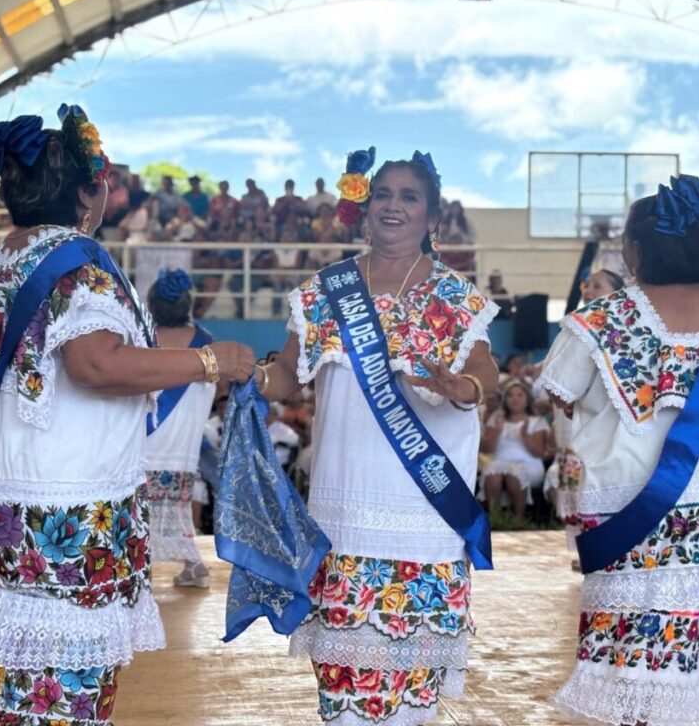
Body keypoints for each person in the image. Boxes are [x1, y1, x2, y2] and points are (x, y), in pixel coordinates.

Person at [0, 106, 255, 725]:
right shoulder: (77, 263)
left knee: (9, 688)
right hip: (64, 506)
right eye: (102, 181)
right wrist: (210, 361)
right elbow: (94, 363)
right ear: (84, 192)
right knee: (66, 693)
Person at [540, 174, 699, 726]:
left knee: (636, 654)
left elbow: (561, 394)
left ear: (633, 249)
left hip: (635, 505)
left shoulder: (598, 321)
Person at [255, 148, 500, 725]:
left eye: (409, 197)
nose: (393, 205)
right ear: (363, 208)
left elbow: (484, 372)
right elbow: (289, 373)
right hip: (344, 515)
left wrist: (461, 386)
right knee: (344, 692)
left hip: (424, 516)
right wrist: (253, 377)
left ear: (432, 216)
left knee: (411, 696)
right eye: (383, 194)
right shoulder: (325, 291)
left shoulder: (455, 298)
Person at [143, 269, 218, 588]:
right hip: (183, 448)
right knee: (178, 510)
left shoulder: (142, 339)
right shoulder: (208, 344)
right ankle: (193, 564)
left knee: (137, 513)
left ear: (151, 306)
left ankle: (139, 568)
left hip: (143, 443)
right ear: (188, 304)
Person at [548, 269, 625, 558]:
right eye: (586, 285)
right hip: (574, 416)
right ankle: (582, 548)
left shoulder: (624, 327)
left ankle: (602, 549)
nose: (588, 290)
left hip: (604, 420)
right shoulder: (577, 325)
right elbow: (556, 373)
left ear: (617, 292)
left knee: (602, 480)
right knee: (575, 481)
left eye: (597, 286)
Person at [479, 380, 549, 523]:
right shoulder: (496, 419)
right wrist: (497, 431)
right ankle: (495, 519)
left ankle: (518, 519)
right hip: (499, 462)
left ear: (527, 399)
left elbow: (540, 452)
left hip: (529, 464)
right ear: (505, 399)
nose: (514, 399)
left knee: (514, 475)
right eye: (510, 395)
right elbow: (486, 449)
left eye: (519, 395)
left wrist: (525, 436)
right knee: (492, 474)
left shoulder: (537, 421)